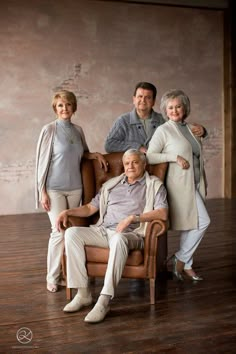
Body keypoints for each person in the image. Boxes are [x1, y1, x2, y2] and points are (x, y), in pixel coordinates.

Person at [56, 149, 168, 323]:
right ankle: (83, 293)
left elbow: (162, 213)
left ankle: (104, 300)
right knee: (72, 233)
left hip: (132, 234)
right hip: (103, 230)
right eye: (127, 163)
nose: (130, 166)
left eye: (135, 162)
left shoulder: (154, 185)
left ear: (144, 165)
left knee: (118, 237)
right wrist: (67, 211)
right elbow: (89, 209)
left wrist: (134, 217)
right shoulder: (111, 185)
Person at [35, 90, 108, 293]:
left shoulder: (78, 130)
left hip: (75, 188)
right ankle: (52, 277)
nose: (64, 108)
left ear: (73, 107)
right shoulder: (49, 130)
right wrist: (42, 191)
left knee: (72, 232)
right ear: (55, 109)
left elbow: (83, 153)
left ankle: (69, 275)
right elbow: (41, 163)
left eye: (68, 105)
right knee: (58, 231)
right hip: (54, 189)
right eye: (60, 105)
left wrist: (94, 154)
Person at [146, 89, 211, 281]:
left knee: (190, 224)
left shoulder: (191, 128)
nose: (174, 110)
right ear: (165, 110)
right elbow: (150, 155)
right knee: (203, 221)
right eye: (170, 107)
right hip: (179, 185)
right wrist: (174, 158)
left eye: (178, 106)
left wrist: (204, 132)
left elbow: (195, 151)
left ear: (185, 108)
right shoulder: (163, 130)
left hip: (195, 182)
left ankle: (186, 265)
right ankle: (180, 258)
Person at [104, 82, 206, 153]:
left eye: (148, 97)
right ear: (134, 99)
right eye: (140, 96)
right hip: (134, 176)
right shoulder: (123, 121)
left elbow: (182, 127)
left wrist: (202, 131)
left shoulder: (163, 120)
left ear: (153, 102)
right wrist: (137, 147)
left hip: (160, 173)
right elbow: (109, 145)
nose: (143, 100)